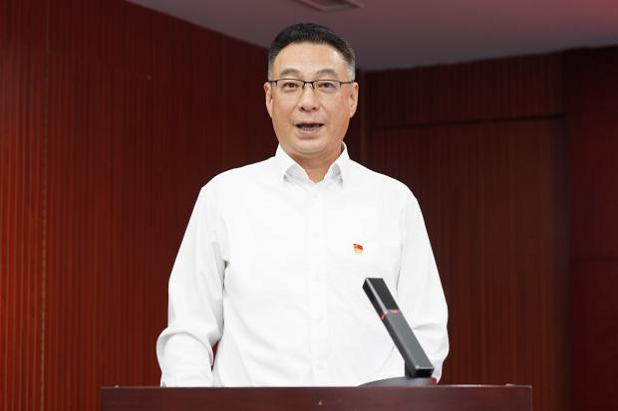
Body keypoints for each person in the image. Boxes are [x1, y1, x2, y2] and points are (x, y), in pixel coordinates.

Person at [156, 22, 448, 387]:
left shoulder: (394, 202)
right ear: (269, 98)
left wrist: (382, 404)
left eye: (326, 85)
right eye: (291, 85)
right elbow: (188, 332)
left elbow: (425, 332)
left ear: (352, 98)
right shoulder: (224, 197)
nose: (308, 102)